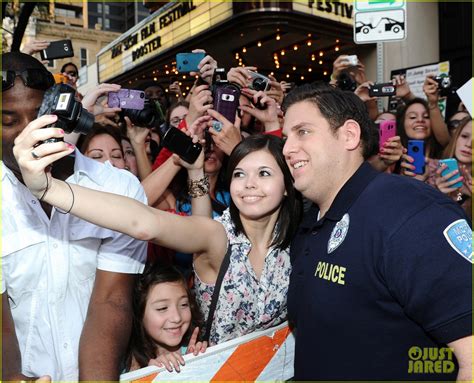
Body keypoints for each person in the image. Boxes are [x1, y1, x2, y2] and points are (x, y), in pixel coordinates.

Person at [14, 132, 302, 347]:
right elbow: (144, 223)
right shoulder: (218, 237)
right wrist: (48, 189)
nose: (249, 183)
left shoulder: (299, 241)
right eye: (239, 174)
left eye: (264, 173)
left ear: (288, 186)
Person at [281, 83, 472, 381]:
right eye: (285, 137)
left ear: (349, 135)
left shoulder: (410, 212)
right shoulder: (309, 224)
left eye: (302, 131)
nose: (287, 149)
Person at [1, 52, 147, 381]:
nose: (29, 133)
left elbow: (112, 300)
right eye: (9, 121)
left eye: (39, 116)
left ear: (60, 112)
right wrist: (13, 377)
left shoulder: (117, 187)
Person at [125, 263, 206, 373]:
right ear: (139, 313)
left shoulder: (196, 350)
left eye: (183, 304)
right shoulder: (126, 365)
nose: (177, 318)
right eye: (162, 308)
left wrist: (195, 364)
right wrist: (148, 376)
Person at [434, 117, 472, 220]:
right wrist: (438, 196)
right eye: (464, 136)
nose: (469, 144)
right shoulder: (431, 172)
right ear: (456, 137)